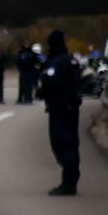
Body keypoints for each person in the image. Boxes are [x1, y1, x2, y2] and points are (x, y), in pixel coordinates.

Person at [38, 29, 85, 195]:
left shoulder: (58, 62)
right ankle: (70, 180)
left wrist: (42, 92)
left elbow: (51, 82)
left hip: (60, 108)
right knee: (70, 143)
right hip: (70, 108)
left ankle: (69, 183)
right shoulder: (71, 60)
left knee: (62, 144)